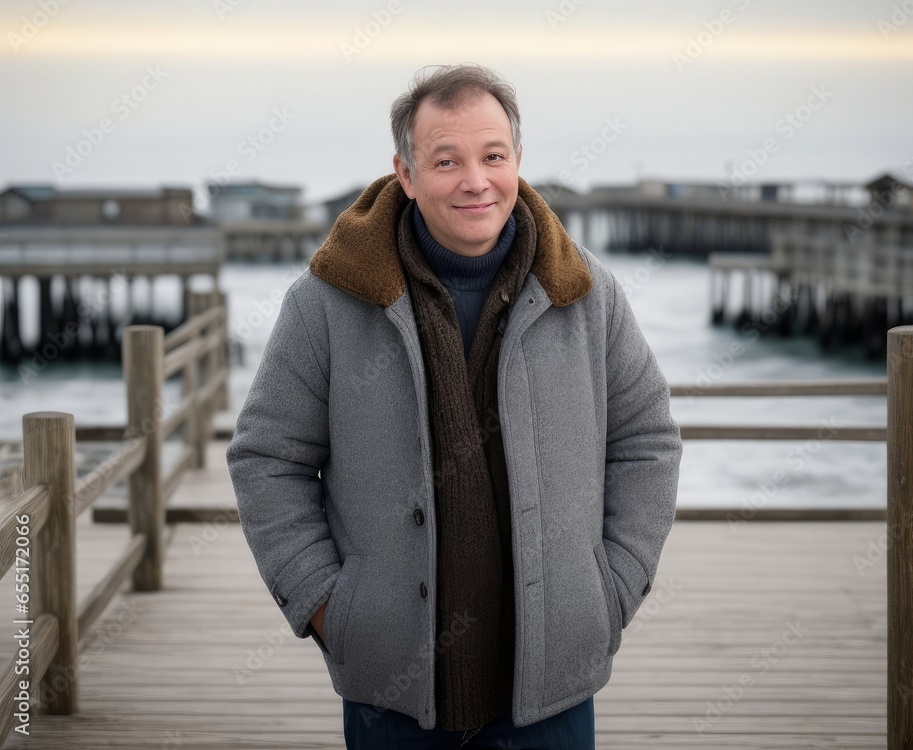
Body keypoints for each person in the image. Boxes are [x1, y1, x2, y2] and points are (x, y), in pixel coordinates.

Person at [226, 63, 682, 749]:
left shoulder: (587, 295)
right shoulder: (327, 302)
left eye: (493, 156)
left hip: (552, 691)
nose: (476, 181)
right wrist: (330, 607)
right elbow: (267, 460)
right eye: (447, 160)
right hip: (393, 695)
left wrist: (610, 590)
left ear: (518, 162)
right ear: (405, 174)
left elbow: (648, 442)